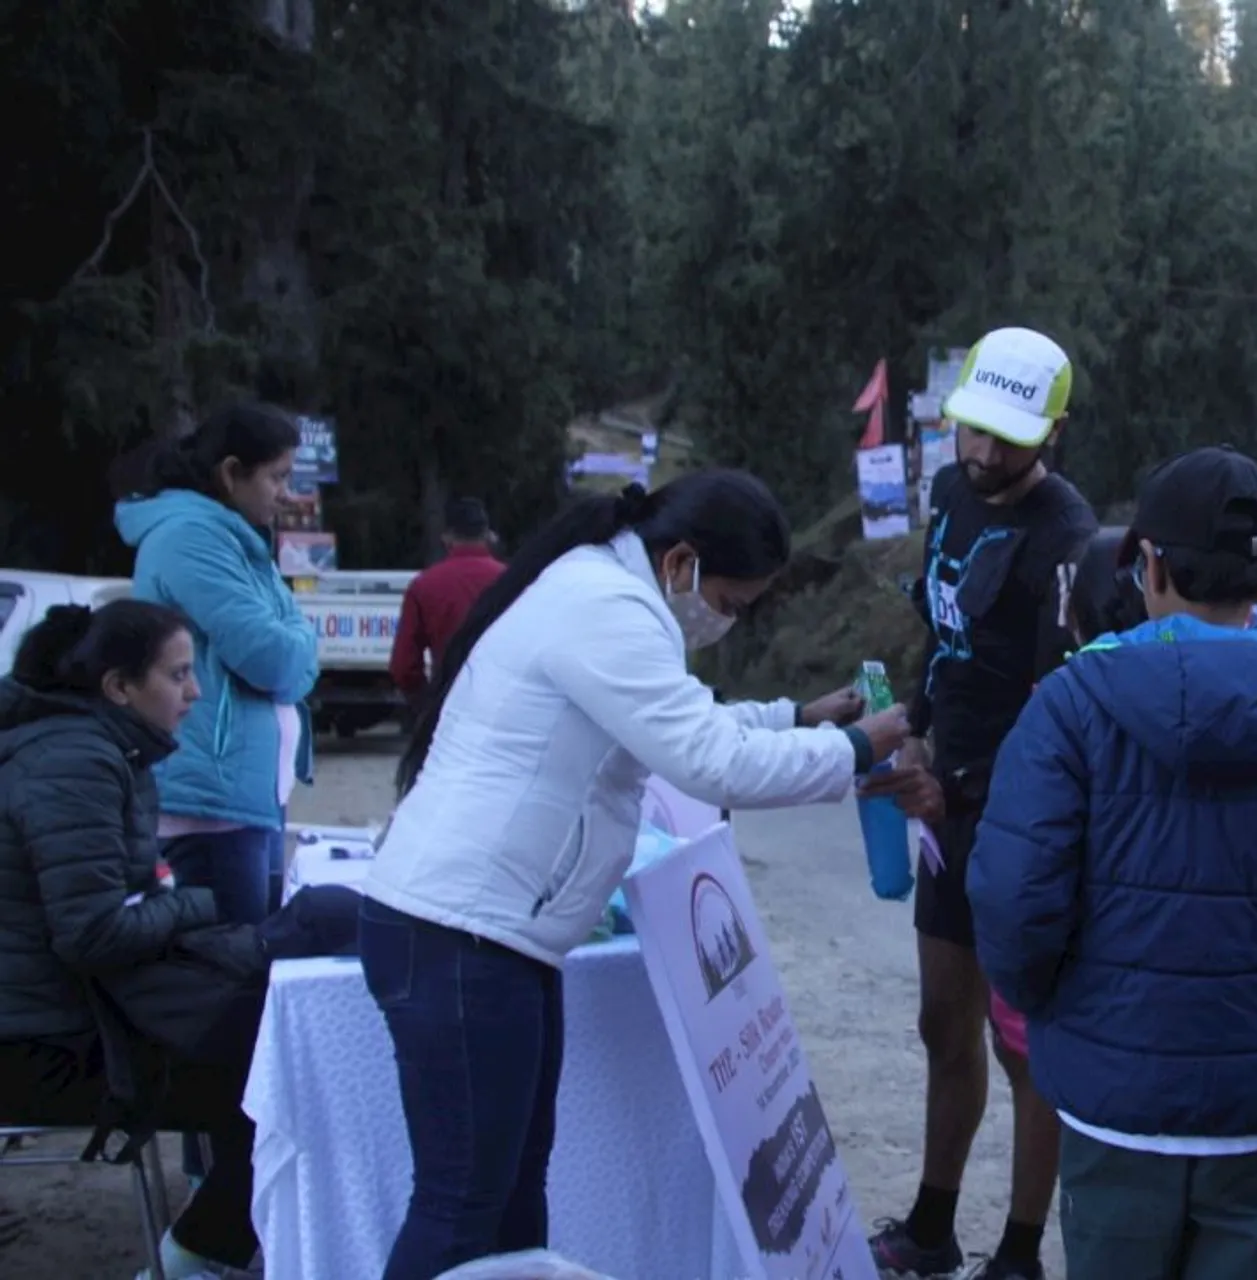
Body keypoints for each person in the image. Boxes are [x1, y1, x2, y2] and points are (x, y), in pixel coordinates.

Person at [357, 472, 909, 1280]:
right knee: (460, 1205)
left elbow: (683, 719)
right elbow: (708, 762)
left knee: (512, 1195)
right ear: (680, 561)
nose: (730, 618)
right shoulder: (605, 609)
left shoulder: (614, 596)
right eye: (733, 599)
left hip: (497, 936)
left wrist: (797, 718)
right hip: (459, 933)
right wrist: (861, 748)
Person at [967, 446, 1257, 1280]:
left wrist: (1062, 1006)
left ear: (1147, 566)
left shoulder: (1073, 704)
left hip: (1113, 1111)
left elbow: (1011, 898)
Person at [0, 602, 357, 1280]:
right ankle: (194, 1258)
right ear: (117, 687)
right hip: (43, 1045)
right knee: (290, 1082)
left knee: (270, 1046)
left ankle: (209, 1249)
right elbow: (92, 932)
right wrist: (188, 902)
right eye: (179, 674)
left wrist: (163, 903)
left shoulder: (81, 748)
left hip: (68, 1018)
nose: (196, 692)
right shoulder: (75, 760)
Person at [859, 327, 1097, 1280]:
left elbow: (1059, 721)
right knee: (939, 1025)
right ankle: (932, 1226)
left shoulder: (1068, 539)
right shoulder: (954, 491)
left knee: (1023, 1050)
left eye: (1009, 438)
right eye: (973, 433)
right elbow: (945, 635)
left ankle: (1022, 1251)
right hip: (944, 805)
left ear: (1056, 431)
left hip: (1019, 823)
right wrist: (909, 723)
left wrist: (956, 785)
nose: (987, 456)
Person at [115, 404, 319, 928]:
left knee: (253, 963)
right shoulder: (192, 538)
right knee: (231, 975)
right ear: (231, 472)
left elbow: (285, 647)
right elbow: (274, 659)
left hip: (242, 794)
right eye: (276, 476)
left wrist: (295, 650)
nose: (285, 492)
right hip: (211, 802)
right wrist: (301, 650)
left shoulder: (235, 539)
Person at [390, 496, 506, 701]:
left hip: (447, 699)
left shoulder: (424, 585)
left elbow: (403, 666)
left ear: (447, 537)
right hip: (502, 700)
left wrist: (424, 700)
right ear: (488, 534)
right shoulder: (511, 581)